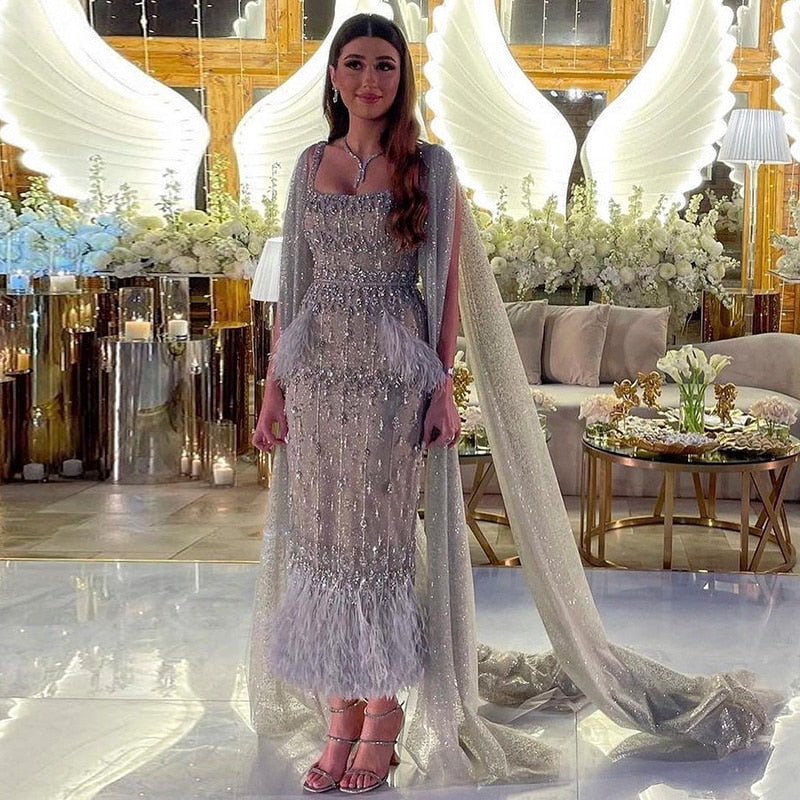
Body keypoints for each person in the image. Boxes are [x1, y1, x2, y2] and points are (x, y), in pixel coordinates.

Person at [250, 11, 781, 795]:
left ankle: (383, 715)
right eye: (354, 64)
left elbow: (447, 287)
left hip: (391, 383)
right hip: (318, 382)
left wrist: (440, 385)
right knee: (323, 545)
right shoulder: (307, 165)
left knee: (379, 549)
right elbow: (294, 287)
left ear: (402, 79)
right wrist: (273, 388)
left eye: (385, 66)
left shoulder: (429, 166)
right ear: (333, 76)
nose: (369, 79)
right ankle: (340, 711)